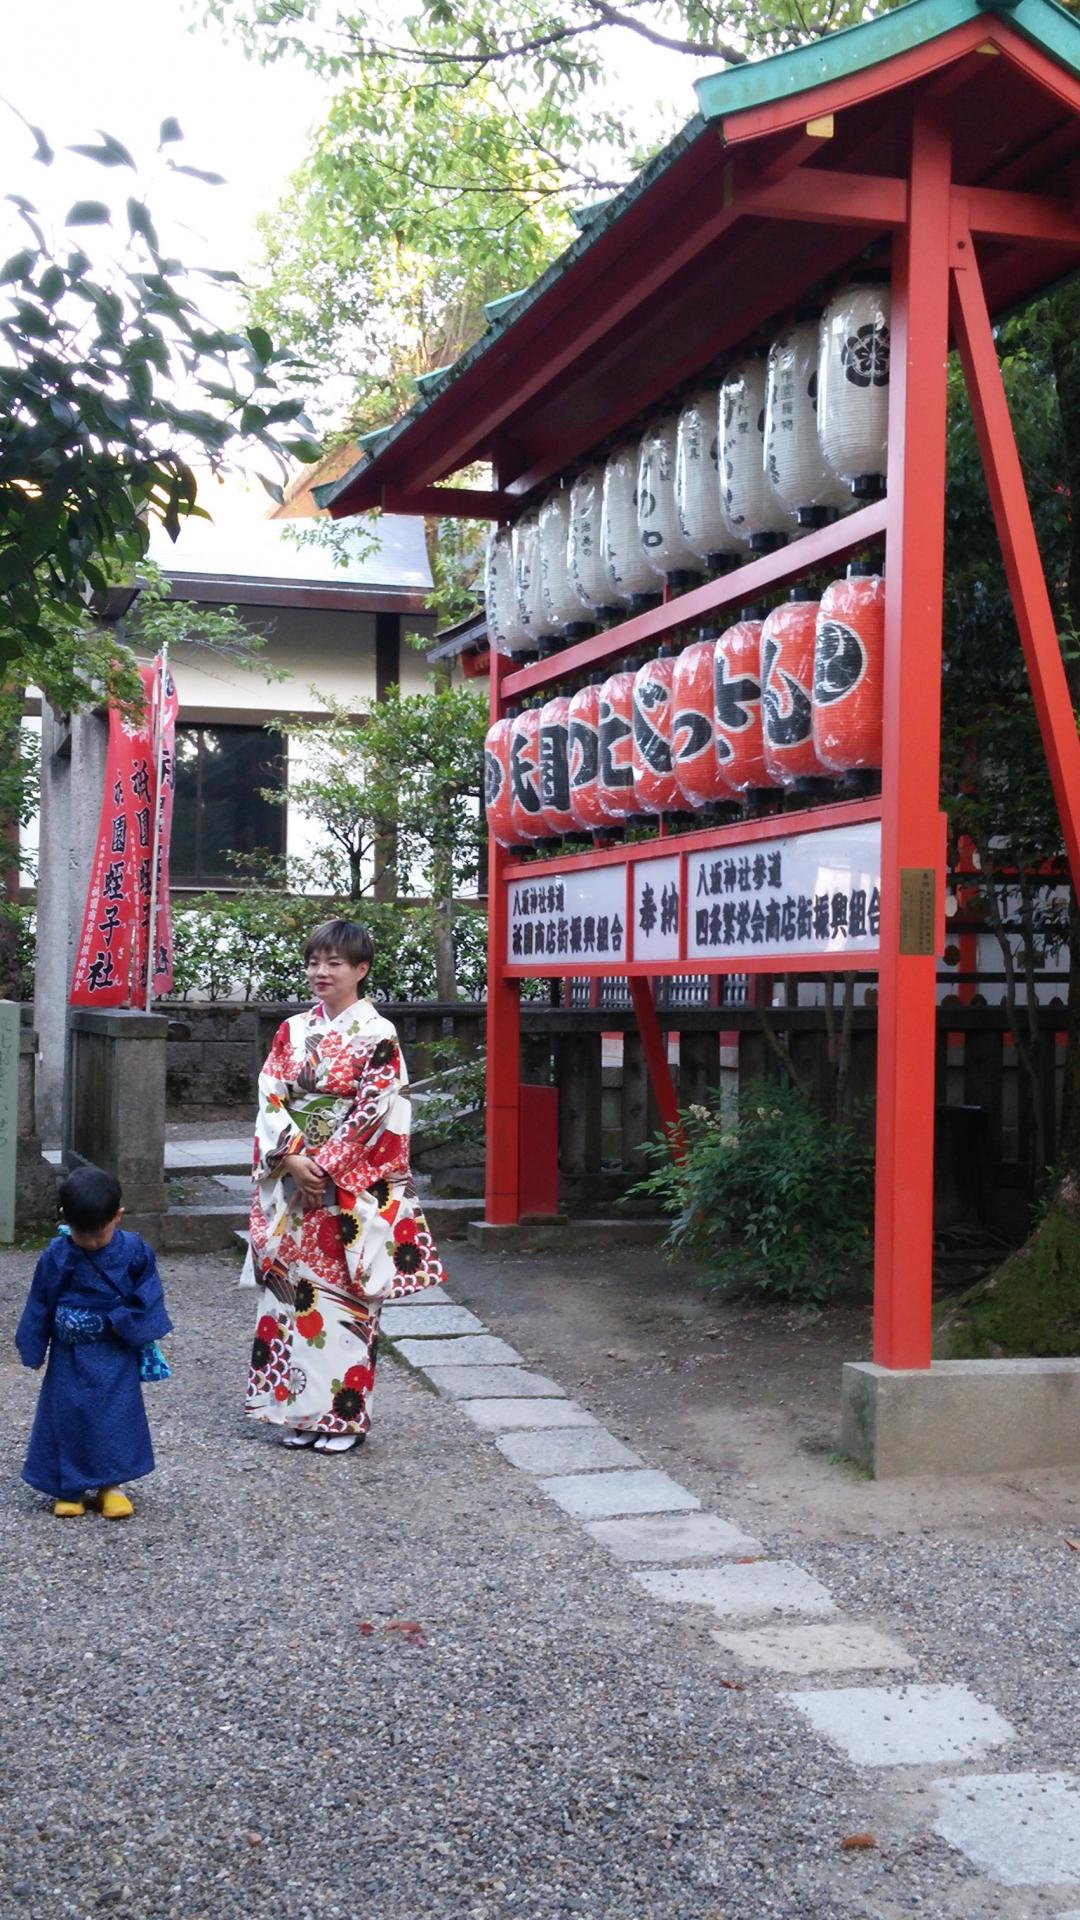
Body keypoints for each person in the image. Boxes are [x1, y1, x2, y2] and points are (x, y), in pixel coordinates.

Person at [247, 918, 445, 1453]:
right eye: (315, 961)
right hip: (298, 1185)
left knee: (345, 1303)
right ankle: (296, 1413)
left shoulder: (378, 1034)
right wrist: (290, 1160)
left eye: (335, 963)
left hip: (346, 1189)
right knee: (291, 1298)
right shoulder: (291, 1031)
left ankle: (342, 1419)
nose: (321, 971)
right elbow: (272, 1097)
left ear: (361, 970)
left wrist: (324, 1168)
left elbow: (375, 1111)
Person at [15, 1165, 172, 1519]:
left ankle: (111, 1485)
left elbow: (147, 1294)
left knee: (115, 1414)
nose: (89, 1241)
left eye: (98, 1235)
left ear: (117, 1217)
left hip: (113, 1347)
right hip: (70, 1352)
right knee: (66, 1411)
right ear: (63, 1218)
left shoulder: (134, 1251)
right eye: (80, 1233)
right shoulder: (56, 1255)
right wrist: (34, 1344)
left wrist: (126, 1322)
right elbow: (40, 1301)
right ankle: (67, 1487)